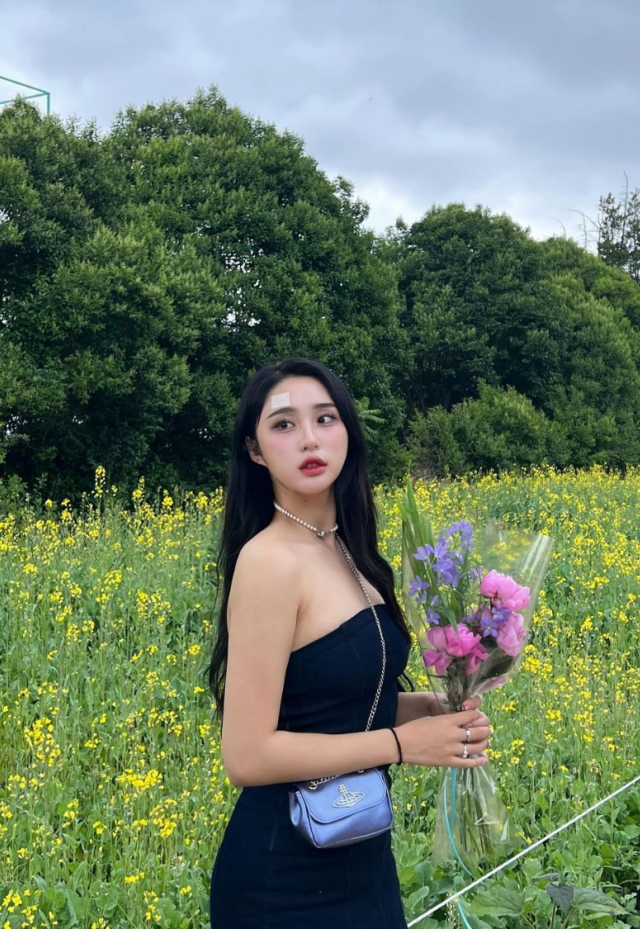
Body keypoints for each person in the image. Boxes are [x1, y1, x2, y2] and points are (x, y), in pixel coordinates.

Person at [207, 357, 490, 928]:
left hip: (360, 853)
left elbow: (329, 698)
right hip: (283, 878)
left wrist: (424, 708)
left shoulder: (349, 548)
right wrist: (402, 743)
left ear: (348, 432)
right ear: (255, 451)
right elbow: (247, 755)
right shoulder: (269, 562)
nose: (309, 439)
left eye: (325, 418)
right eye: (283, 425)